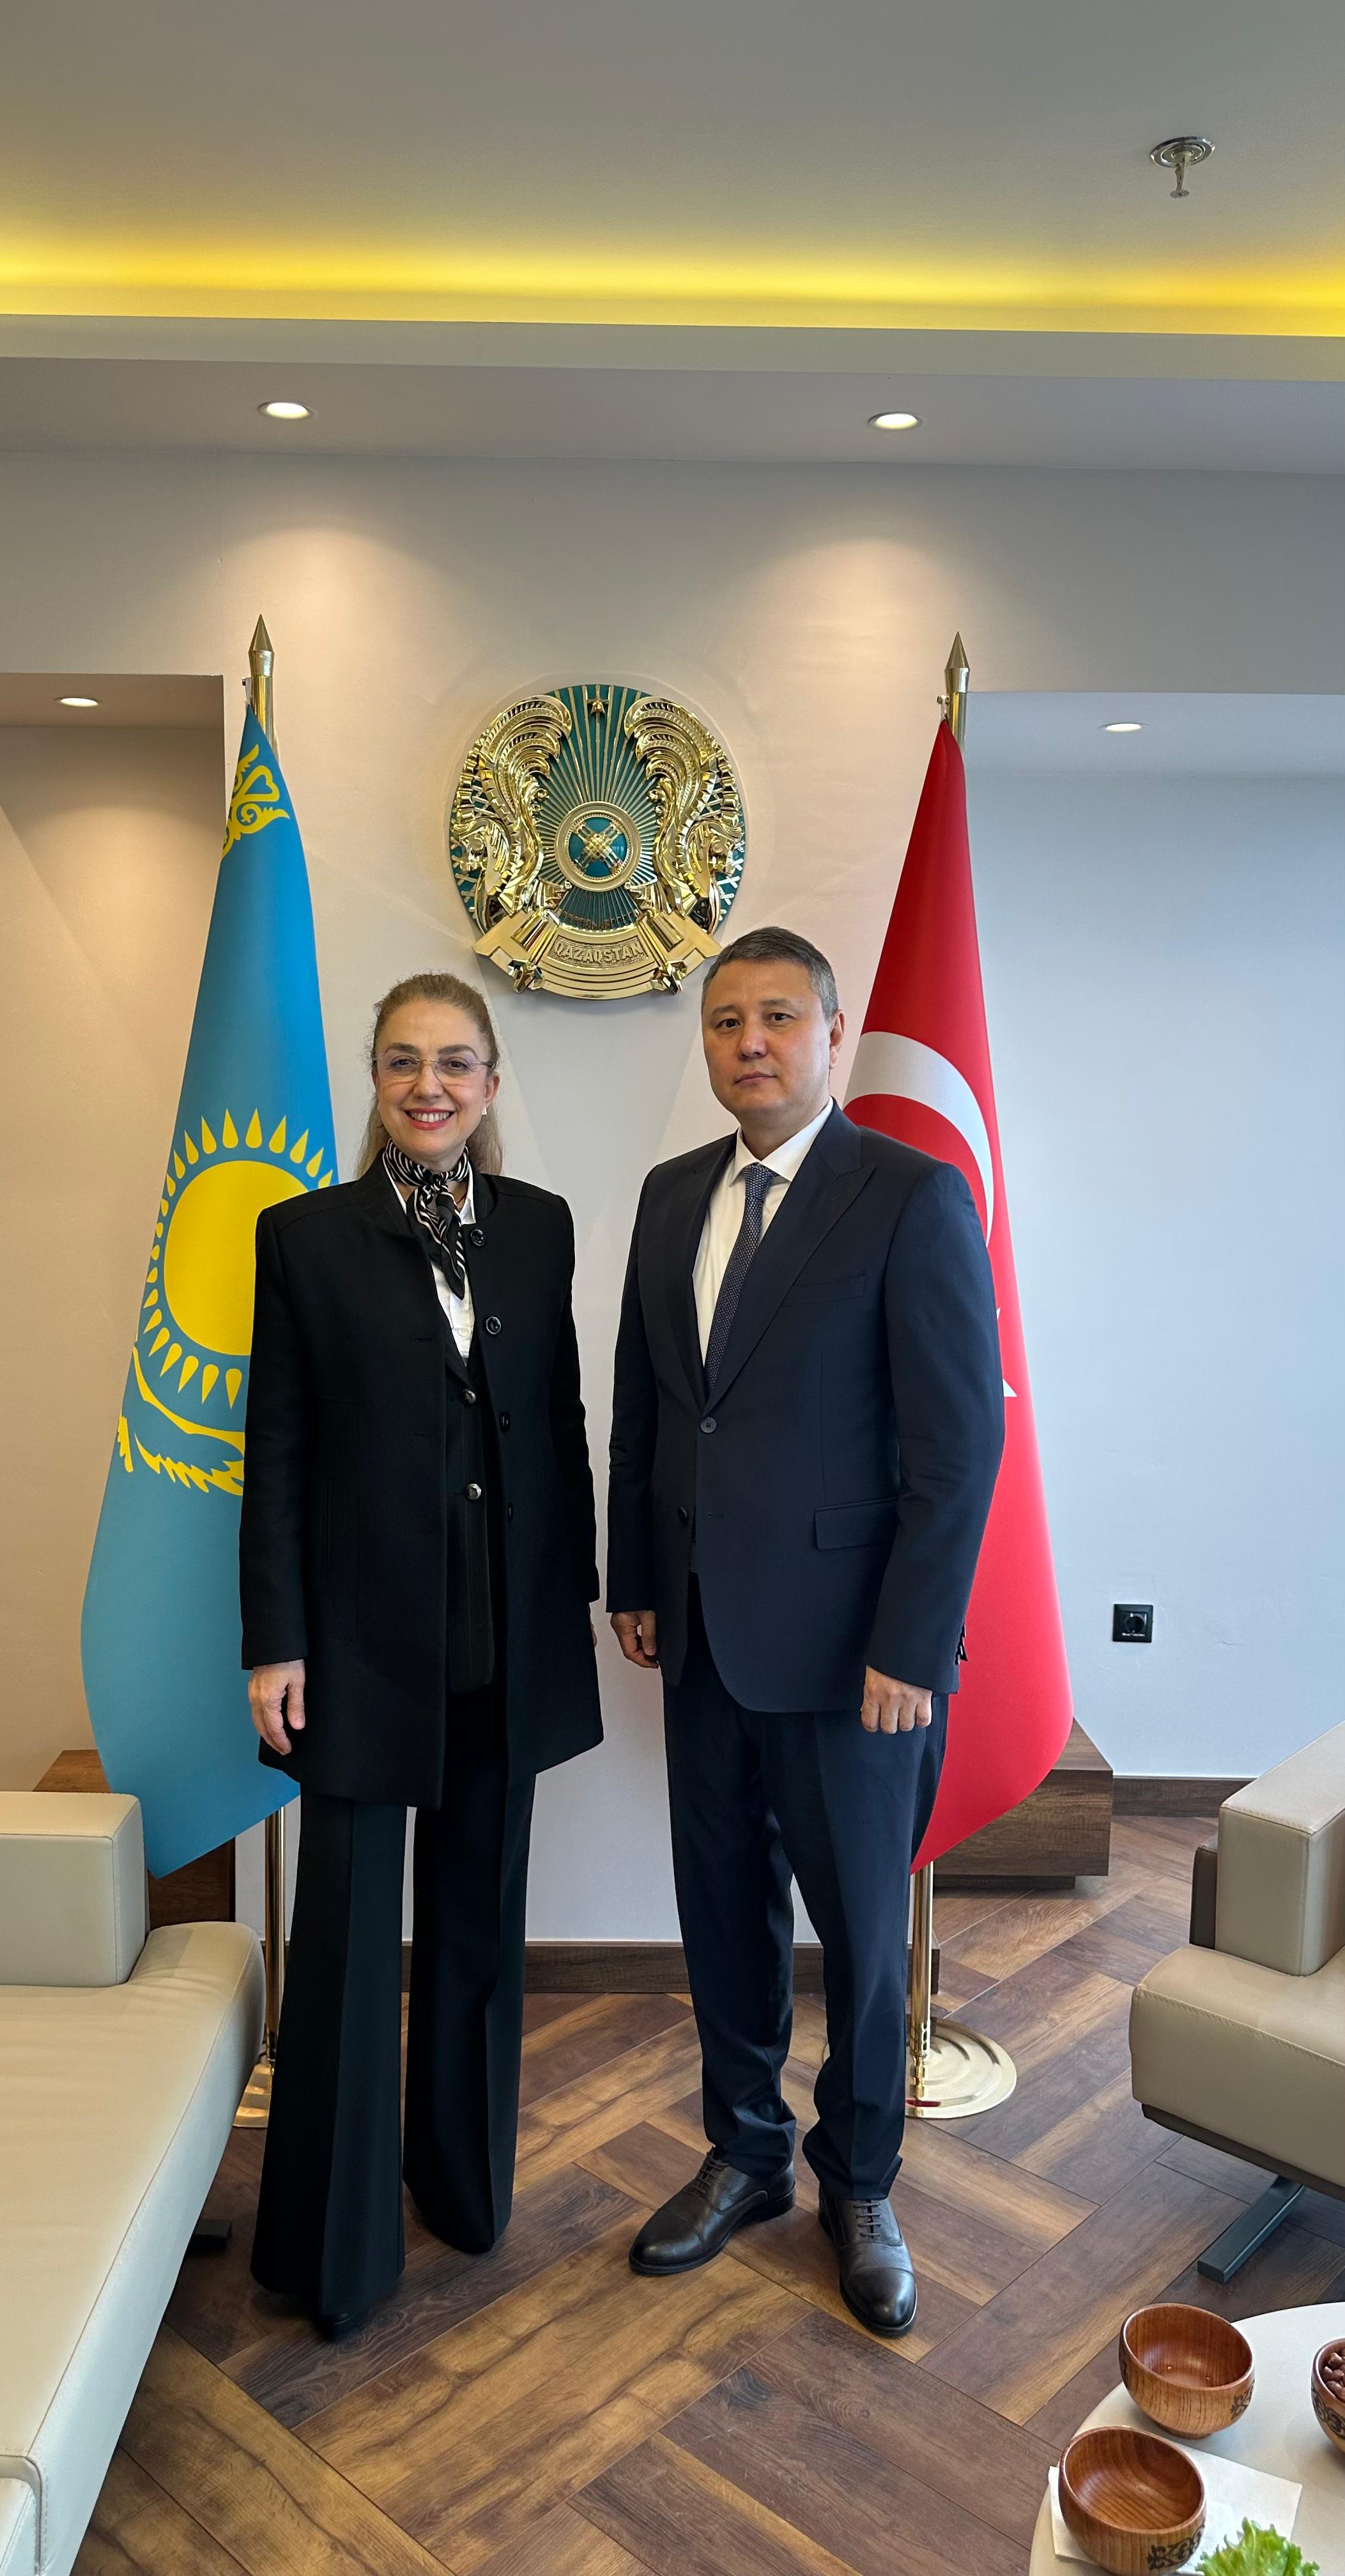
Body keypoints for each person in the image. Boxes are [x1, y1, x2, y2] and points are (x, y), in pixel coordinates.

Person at [607, 924, 1003, 2335]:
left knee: (865, 1940)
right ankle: (745, 2153)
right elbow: (647, 1409)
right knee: (723, 1911)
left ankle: (863, 2181)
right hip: (701, 1633)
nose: (751, 1043)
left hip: (856, 1660)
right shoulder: (670, 1195)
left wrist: (912, 1644)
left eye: (779, 1017)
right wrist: (632, 1578)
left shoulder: (909, 1195)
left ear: (834, 1035)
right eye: (727, 1022)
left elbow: (958, 1450)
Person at [241, 971, 602, 2338]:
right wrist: (274, 1640)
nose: (430, 1085)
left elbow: (559, 1424)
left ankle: (463, 2186)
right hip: (356, 1643)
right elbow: (276, 1451)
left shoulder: (540, 1226)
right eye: (404, 1062)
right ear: (377, 1081)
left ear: (492, 1082)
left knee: (479, 1920)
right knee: (344, 1941)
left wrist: (577, 1599)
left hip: (506, 1630)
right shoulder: (305, 1237)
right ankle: (335, 2253)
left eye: (455, 1062)